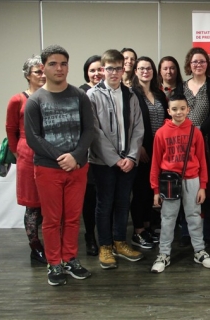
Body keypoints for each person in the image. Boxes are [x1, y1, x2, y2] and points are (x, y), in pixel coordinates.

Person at [24, 45, 95, 286]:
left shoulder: (79, 96)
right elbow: (33, 138)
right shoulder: (35, 101)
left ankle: (70, 259)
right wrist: (61, 157)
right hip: (48, 168)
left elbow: (89, 130)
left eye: (63, 63)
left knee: (73, 218)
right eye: (53, 64)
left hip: (77, 167)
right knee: (53, 219)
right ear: (43, 68)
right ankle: (54, 264)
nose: (59, 68)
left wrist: (75, 156)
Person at [87, 49, 145, 270]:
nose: (113, 73)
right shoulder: (92, 95)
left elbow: (138, 127)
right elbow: (94, 131)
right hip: (104, 163)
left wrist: (131, 156)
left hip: (128, 160)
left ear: (123, 70)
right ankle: (105, 245)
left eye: (117, 68)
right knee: (105, 204)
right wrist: (114, 159)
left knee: (123, 203)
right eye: (109, 68)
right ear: (103, 70)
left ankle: (120, 242)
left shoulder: (130, 94)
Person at [150, 94, 210, 272]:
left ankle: (199, 251)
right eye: (174, 109)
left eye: (182, 108)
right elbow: (155, 163)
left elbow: (202, 160)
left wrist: (203, 186)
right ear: (168, 111)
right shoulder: (161, 133)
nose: (178, 112)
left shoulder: (195, 132)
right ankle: (164, 254)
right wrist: (156, 189)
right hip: (169, 181)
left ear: (188, 110)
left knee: (194, 217)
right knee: (168, 218)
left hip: (192, 180)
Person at [180, 47, 210, 248]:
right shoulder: (180, 88)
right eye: (195, 62)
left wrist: (196, 133)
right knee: (186, 190)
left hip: (209, 145)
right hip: (184, 148)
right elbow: (176, 115)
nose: (198, 65)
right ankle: (187, 233)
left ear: (208, 65)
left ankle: (209, 235)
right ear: (189, 64)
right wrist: (187, 137)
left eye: (202, 61)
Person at [6, 56, 47, 264]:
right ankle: (35, 246)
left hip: (49, 153)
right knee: (32, 205)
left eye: (43, 71)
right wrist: (17, 153)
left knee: (51, 202)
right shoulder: (17, 99)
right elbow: (11, 129)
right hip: (27, 154)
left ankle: (52, 243)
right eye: (37, 72)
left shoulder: (52, 96)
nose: (42, 75)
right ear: (27, 75)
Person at [130, 57, 168, 250]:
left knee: (152, 190)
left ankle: (147, 227)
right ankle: (138, 230)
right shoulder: (131, 93)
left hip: (159, 149)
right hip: (141, 149)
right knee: (140, 191)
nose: (145, 71)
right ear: (135, 71)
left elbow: (167, 121)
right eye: (141, 68)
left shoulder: (159, 95)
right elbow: (130, 124)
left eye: (149, 68)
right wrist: (139, 147)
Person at [79, 55, 103, 256]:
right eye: (92, 70)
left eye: (100, 69)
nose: (97, 73)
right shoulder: (80, 93)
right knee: (90, 198)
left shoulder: (111, 91)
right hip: (88, 156)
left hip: (107, 156)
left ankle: (107, 238)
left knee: (106, 199)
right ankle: (90, 236)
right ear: (87, 72)